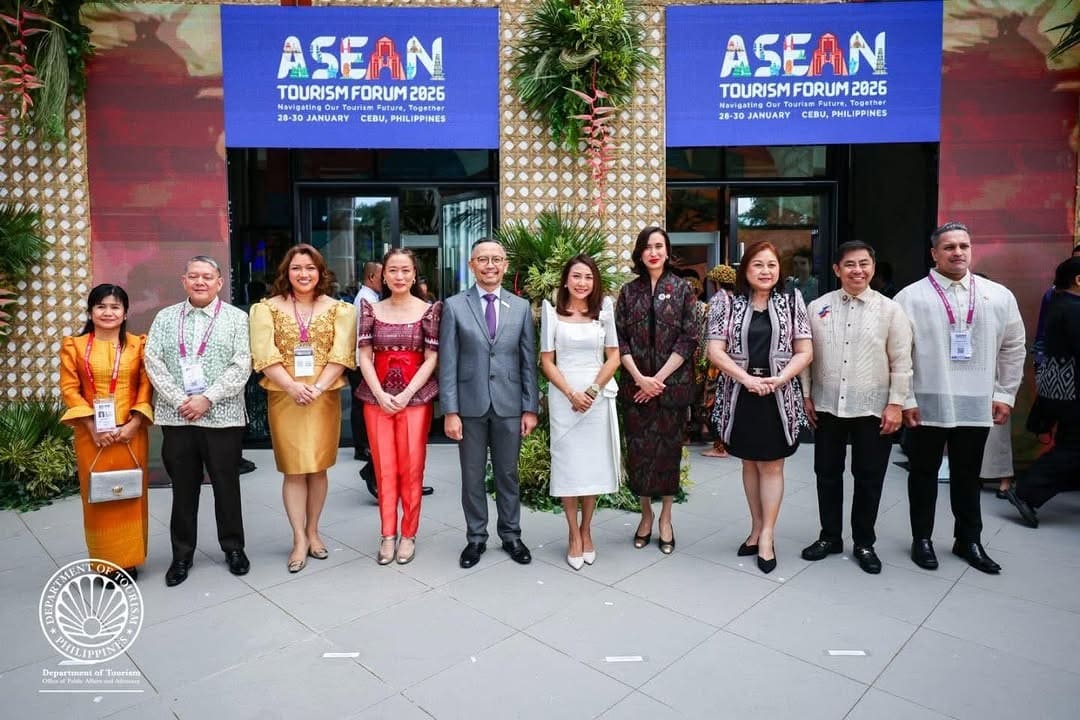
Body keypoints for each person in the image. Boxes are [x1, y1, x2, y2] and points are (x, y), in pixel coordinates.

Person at [895, 222, 1025, 575]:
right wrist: (904, 398)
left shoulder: (997, 295)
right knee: (922, 474)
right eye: (949, 247)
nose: (957, 252)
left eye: (963, 246)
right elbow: (897, 353)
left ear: (971, 249)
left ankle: (968, 539)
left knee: (968, 475)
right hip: (925, 403)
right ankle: (921, 538)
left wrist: (1005, 393)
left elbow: (1014, 346)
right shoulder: (911, 297)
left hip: (977, 400)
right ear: (934, 254)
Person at [798, 241, 912, 574]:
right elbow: (805, 356)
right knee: (827, 475)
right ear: (836, 269)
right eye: (849, 264)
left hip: (873, 409)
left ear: (873, 268)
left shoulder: (890, 310)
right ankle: (830, 536)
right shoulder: (817, 307)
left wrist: (896, 404)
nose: (857, 270)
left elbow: (902, 361)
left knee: (869, 477)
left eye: (864, 263)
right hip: (827, 407)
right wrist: (806, 394)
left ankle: (864, 542)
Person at [145, 256, 252, 587]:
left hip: (223, 417)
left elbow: (243, 363)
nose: (200, 282)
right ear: (184, 281)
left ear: (220, 282)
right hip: (178, 419)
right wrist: (181, 400)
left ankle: (233, 548)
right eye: (194, 276)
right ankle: (181, 555)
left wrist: (208, 398)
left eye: (207, 276)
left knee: (226, 485)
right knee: (184, 488)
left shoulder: (236, 319)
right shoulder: (165, 318)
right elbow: (153, 360)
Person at [249, 244, 357, 573]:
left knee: (318, 467)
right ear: (287, 272)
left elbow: (342, 354)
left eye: (310, 268)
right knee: (294, 469)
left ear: (321, 272)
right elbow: (264, 354)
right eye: (296, 268)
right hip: (285, 395)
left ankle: (314, 531)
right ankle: (298, 536)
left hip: (323, 396)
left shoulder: (341, 309)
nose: (304, 274)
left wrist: (317, 387)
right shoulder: (265, 309)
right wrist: (293, 386)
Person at [709, 240, 812, 574]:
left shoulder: (792, 301)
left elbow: (804, 351)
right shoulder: (726, 302)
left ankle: (767, 535)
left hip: (778, 396)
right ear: (745, 270)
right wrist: (746, 379)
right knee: (750, 463)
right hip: (740, 395)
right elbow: (715, 350)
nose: (765, 271)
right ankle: (755, 528)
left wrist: (780, 379)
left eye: (771, 264)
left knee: (772, 466)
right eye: (758, 265)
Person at [439, 238, 539, 569]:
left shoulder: (521, 307)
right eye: (483, 259)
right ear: (472, 265)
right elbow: (448, 362)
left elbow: (528, 362)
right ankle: (476, 539)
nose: (490, 265)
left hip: (510, 406)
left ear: (505, 265)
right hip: (469, 407)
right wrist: (450, 411)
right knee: (471, 476)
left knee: (508, 475)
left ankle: (511, 535)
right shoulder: (454, 306)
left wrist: (530, 407)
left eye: (496, 259)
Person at [59, 284, 154, 580]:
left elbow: (146, 386)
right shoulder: (74, 345)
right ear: (90, 312)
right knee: (99, 497)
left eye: (115, 307)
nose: (108, 312)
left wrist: (134, 424)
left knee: (130, 493)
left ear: (125, 313)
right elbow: (69, 389)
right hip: (92, 436)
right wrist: (91, 426)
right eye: (101, 306)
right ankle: (104, 563)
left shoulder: (138, 345)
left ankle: (129, 559)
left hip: (131, 432)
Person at [355, 249, 441, 565]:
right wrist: (378, 393)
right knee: (384, 468)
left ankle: (409, 533)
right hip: (375, 398)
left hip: (415, 399)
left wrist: (406, 394)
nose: (400, 276)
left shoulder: (430, 310)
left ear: (414, 274)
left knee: (412, 468)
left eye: (406, 270)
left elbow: (432, 357)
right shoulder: (369, 309)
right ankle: (387, 534)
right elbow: (364, 355)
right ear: (384, 275)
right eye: (393, 270)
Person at [615, 226, 697, 556]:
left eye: (659, 246)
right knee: (639, 455)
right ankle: (645, 515)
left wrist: (658, 379)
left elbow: (688, 337)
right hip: (636, 388)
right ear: (639, 252)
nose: (654, 252)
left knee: (667, 455)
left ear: (667, 251)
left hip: (671, 388)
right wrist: (639, 378)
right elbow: (619, 339)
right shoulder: (628, 292)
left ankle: (666, 518)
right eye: (647, 246)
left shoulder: (682, 290)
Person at [540, 255, 621, 570]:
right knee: (570, 468)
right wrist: (571, 392)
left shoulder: (604, 313)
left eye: (588, 277)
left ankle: (588, 530)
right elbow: (547, 360)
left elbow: (613, 357)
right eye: (576, 276)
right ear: (566, 280)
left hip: (596, 396)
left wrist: (592, 390)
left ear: (594, 281)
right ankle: (573, 534)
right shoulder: (552, 313)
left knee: (591, 468)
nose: (582, 282)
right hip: (565, 398)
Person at [1004, 256, 1080, 527]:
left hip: (1061, 391)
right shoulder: (1073, 309)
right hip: (1072, 393)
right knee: (1073, 448)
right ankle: (1026, 492)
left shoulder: (1061, 303)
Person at [350, 260, 382, 491]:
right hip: (365, 363)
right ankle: (363, 448)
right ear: (372, 277)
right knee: (362, 406)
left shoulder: (370, 297)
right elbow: (365, 336)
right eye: (384, 275)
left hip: (366, 363)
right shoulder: (366, 299)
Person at [702, 263, 737, 458]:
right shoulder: (738, 300)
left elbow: (711, 333)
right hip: (733, 360)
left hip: (718, 360)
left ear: (716, 283)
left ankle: (719, 446)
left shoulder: (717, 300)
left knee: (714, 401)